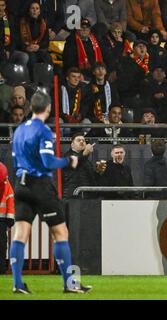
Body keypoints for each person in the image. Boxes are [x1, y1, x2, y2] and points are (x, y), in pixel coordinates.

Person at [10, 91, 91, 293]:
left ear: (30, 108)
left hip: (20, 185)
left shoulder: (19, 130)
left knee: (20, 235)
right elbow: (48, 161)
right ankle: (69, 284)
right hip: (39, 186)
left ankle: (17, 284)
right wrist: (68, 160)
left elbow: (14, 161)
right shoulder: (44, 131)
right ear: (47, 109)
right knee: (60, 232)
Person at [62, 132, 105, 200]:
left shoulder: (87, 161)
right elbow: (75, 162)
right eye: (78, 140)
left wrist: (98, 171)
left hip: (87, 197)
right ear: (72, 145)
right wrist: (85, 154)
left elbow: (91, 179)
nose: (82, 141)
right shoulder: (66, 156)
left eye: (84, 140)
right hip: (73, 197)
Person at [0, 161, 14, 274]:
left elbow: (10, 197)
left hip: (2, 219)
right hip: (2, 218)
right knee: (2, 244)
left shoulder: (4, 179)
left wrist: (10, 218)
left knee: (2, 244)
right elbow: (10, 197)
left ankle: (1, 268)